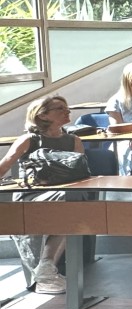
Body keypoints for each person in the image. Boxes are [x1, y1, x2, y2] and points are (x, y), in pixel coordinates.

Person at [0, 95, 84, 294]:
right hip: (31, 196)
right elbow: (4, 167)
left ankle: (46, 266)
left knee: (76, 202)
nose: (67, 111)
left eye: (67, 107)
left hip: (64, 194)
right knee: (72, 202)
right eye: (60, 108)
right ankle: (46, 267)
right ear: (43, 115)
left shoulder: (74, 141)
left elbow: (81, 172)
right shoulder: (29, 140)